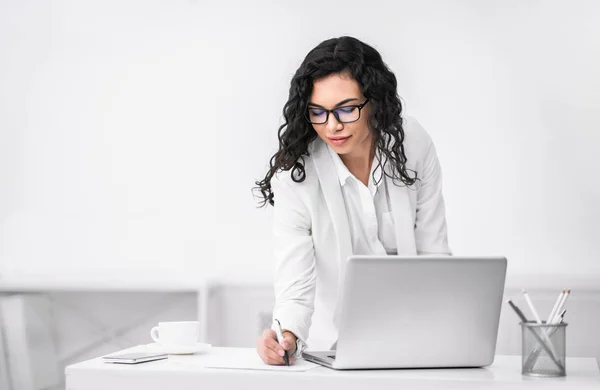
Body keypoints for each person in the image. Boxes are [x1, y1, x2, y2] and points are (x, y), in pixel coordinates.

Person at [253, 36, 451, 365]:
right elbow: (295, 282)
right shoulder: (295, 177)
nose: (332, 125)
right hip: (331, 352)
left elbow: (434, 252)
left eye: (346, 108)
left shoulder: (413, 144)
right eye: (318, 111)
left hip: (414, 345)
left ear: (374, 101)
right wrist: (286, 336)